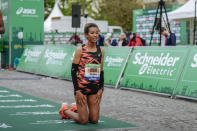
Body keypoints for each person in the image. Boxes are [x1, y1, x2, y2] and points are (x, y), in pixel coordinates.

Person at [59, 23, 104, 124]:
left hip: (94, 88)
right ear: (86, 35)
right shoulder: (80, 50)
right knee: (83, 120)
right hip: (81, 89)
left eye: (97, 33)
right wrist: (77, 90)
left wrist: (101, 89)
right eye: (92, 33)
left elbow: (101, 71)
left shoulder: (101, 50)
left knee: (94, 120)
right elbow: (73, 71)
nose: (95, 35)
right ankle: (65, 111)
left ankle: (76, 108)